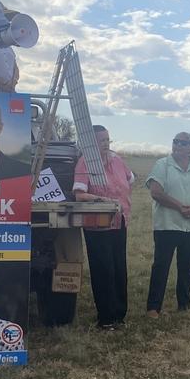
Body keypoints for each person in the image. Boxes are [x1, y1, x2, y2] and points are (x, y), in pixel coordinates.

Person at [145, 132, 190, 318]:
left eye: (183, 143)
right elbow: (156, 192)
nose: (178, 145)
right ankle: (153, 307)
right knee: (161, 266)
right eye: (175, 141)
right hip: (167, 225)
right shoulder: (162, 165)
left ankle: (184, 305)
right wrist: (179, 207)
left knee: (187, 267)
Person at [72, 125, 135, 329]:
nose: (106, 144)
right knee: (103, 270)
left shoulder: (117, 160)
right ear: (91, 143)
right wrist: (102, 199)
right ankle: (106, 318)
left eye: (108, 140)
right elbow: (79, 194)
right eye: (101, 141)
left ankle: (119, 315)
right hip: (98, 225)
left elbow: (130, 179)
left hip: (120, 221)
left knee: (119, 269)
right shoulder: (85, 163)